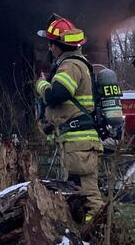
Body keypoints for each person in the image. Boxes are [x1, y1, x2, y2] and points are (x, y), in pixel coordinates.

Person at [34, 14, 103, 221]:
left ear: (59, 46)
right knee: (78, 188)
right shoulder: (75, 64)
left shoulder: (70, 66)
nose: (50, 48)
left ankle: (97, 228)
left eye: (52, 44)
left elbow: (57, 95)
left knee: (86, 191)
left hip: (78, 141)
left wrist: (41, 85)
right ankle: (85, 228)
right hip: (77, 140)